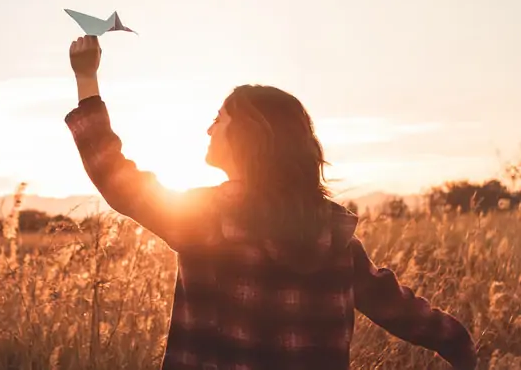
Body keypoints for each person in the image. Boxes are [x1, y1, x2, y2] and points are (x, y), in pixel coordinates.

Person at [64, 35, 477, 370]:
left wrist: (87, 79)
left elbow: (114, 176)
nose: (208, 129)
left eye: (219, 118)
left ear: (246, 136)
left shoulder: (206, 220)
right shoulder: (332, 235)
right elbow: (398, 308)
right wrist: (456, 342)